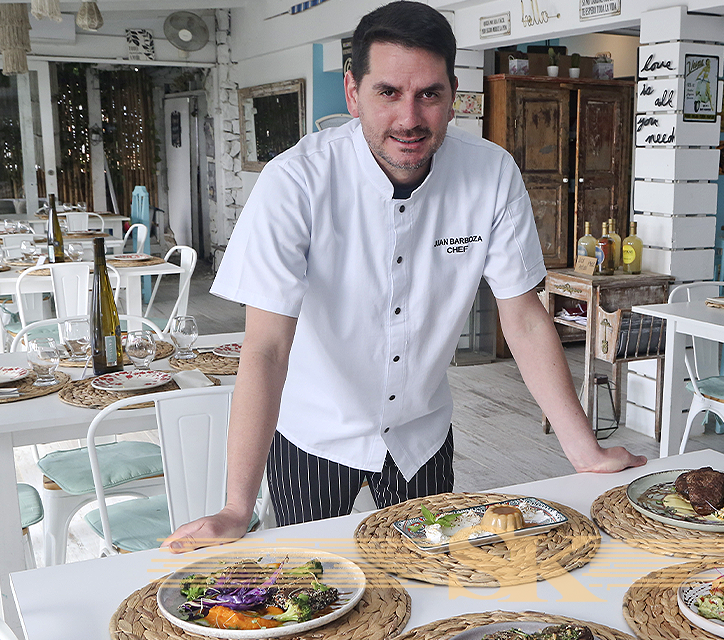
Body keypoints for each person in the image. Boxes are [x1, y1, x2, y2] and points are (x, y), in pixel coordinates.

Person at [163, 0, 645, 553]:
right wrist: (235, 508)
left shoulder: (490, 172)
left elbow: (525, 318)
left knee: (428, 581)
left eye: (429, 94)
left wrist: (583, 451)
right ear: (353, 92)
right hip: (312, 434)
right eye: (388, 92)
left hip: (422, 435)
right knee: (310, 575)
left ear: (452, 92)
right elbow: (267, 347)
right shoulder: (295, 181)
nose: (409, 119)